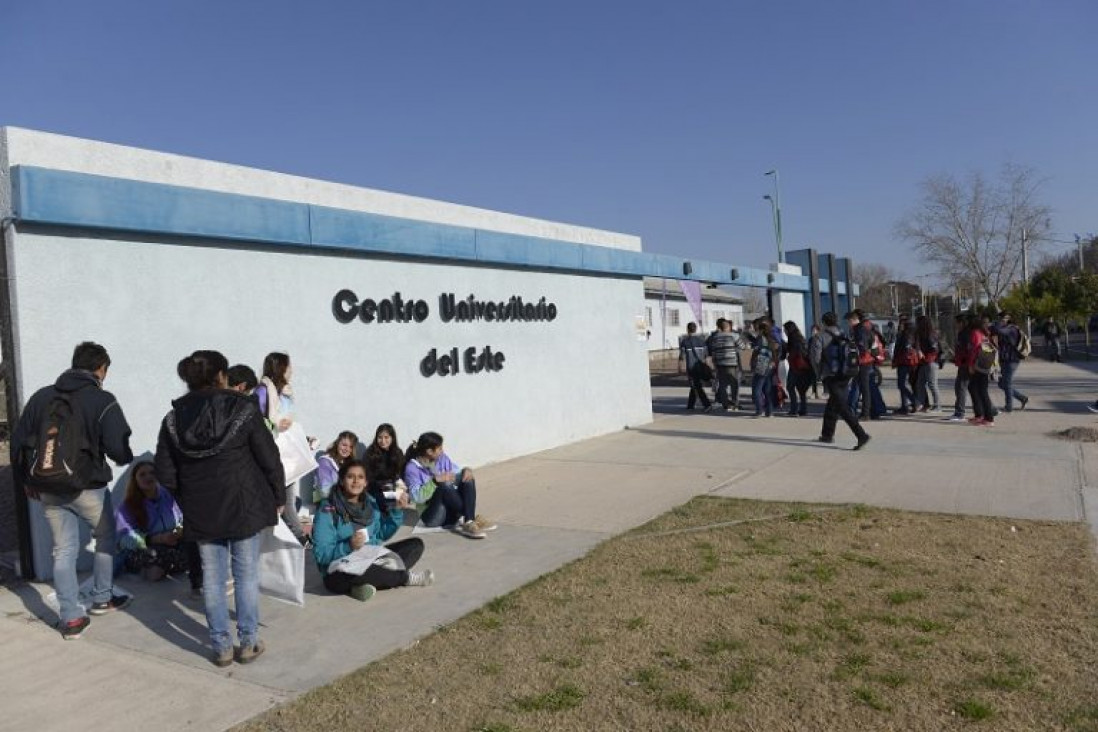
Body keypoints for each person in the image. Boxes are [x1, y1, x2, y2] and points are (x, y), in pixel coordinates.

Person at [155, 350, 285, 667]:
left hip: (201, 508)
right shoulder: (243, 408)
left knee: (212, 581)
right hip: (244, 505)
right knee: (245, 576)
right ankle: (249, 642)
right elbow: (269, 457)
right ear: (221, 376)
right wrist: (278, 494)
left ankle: (221, 647)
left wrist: (186, 498)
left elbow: (165, 472)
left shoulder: (173, 419)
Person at [10, 341, 134, 639]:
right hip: (88, 488)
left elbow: (18, 442)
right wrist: (124, 458)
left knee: (63, 550)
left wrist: (27, 482)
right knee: (105, 537)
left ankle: (70, 618)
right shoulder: (101, 399)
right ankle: (103, 597)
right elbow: (118, 447)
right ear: (100, 368)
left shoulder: (41, 397)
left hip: (48, 487)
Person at [312, 460, 433, 601]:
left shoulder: (370, 502)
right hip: (338, 570)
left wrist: (397, 511)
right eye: (350, 477)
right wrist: (348, 546)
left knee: (415, 545)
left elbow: (381, 534)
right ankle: (405, 578)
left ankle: (360, 586)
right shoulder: (328, 509)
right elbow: (321, 555)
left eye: (361, 477)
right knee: (354, 572)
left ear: (366, 483)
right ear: (341, 481)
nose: (356, 481)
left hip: (370, 558)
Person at [115, 460, 199, 592]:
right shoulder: (128, 506)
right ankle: (168, 565)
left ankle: (170, 565)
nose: (148, 477)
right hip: (145, 548)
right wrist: (157, 539)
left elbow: (182, 519)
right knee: (155, 560)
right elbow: (125, 539)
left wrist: (178, 531)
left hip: (172, 543)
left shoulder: (168, 495)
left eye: (152, 473)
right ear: (135, 480)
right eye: (142, 475)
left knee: (200, 545)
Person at [254, 352, 308, 545]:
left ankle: (293, 536)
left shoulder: (285, 392)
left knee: (288, 497)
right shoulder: (262, 391)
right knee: (285, 499)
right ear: (280, 368)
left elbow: (288, 418)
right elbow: (257, 423)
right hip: (273, 452)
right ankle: (299, 537)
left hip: (288, 451)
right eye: (288, 366)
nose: (291, 370)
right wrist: (276, 425)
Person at [404, 432, 496, 539]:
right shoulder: (412, 468)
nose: (442, 451)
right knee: (444, 484)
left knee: (467, 478)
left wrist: (467, 470)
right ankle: (470, 518)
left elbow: (456, 472)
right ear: (429, 451)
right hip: (432, 517)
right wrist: (434, 481)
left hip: (451, 514)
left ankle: (469, 521)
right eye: (439, 448)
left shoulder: (442, 458)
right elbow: (416, 498)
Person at [809, 312, 871, 450]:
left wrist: (819, 374)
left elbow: (815, 358)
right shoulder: (844, 333)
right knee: (833, 404)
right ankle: (827, 434)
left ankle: (861, 435)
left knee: (842, 407)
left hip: (831, 374)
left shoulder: (819, 337)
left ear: (824, 323)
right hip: (846, 373)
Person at [962, 316, 996, 426]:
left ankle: (988, 418)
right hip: (985, 364)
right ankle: (980, 415)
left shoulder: (975, 333)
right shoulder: (985, 333)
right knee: (975, 389)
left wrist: (971, 365)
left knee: (981, 391)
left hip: (978, 366)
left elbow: (974, 350)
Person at [363, 423, 407, 509]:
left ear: (392, 438)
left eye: (386, 437)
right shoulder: (370, 453)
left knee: (403, 497)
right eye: (380, 437)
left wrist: (401, 489)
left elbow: (400, 474)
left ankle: (394, 517)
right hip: (375, 487)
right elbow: (368, 477)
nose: (383, 441)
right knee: (393, 499)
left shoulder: (397, 452)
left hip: (393, 485)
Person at [993, 313, 1029, 412]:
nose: (1001, 320)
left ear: (1009, 319)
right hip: (1004, 360)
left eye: (1003, 318)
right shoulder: (1005, 328)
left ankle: (1009, 407)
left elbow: (998, 331)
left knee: (1007, 383)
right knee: (1002, 384)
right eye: (1000, 318)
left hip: (1012, 360)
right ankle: (1022, 398)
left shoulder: (1012, 329)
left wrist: (996, 324)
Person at [706, 318, 744, 410]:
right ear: (728, 327)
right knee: (734, 384)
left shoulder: (715, 337)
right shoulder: (734, 336)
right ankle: (735, 403)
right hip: (731, 363)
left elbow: (713, 352)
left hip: (720, 364)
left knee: (722, 385)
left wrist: (714, 363)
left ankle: (725, 403)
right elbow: (742, 346)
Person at [315, 431, 359, 503]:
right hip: (325, 501)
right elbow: (324, 491)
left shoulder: (348, 463)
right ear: (337, 444)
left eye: (351, 447)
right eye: (344, 445)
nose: (347, 449)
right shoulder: (324, 461)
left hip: (345, 499)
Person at [678, 322, 712, 412]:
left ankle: (707, 404)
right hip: (701, 366)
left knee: (696, 386)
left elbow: (682, 356)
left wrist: (680, 367)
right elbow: (707, 355)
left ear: (687, 329)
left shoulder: (685, 342)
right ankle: (690, 405)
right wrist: (708, 366)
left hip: (691, 368)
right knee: (695, 385)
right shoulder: (702, 340)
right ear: (695, 329)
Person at [783, 321, 813, 417]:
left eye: (785, 329)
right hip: (803, 367)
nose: (784, 331)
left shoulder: (794, 339)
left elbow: (794, 353)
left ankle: (794, 409)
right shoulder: (800, 337)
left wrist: (789, 356)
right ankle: (803, 409)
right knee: (801, 389)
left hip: (796, 366)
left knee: (790, 387)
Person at [913, 315, 942, 413]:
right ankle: (920, 403)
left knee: (932, 384)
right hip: (924, 362)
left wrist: (924, 356)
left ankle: (937, 406)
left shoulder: (930, 335)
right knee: (919, 383)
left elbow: (934, 350)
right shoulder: (921, 335)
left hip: (931, 362)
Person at [946, 314, 971, 423]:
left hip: (966, 364)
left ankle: (960, 413)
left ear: (961, 322)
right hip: (962, 364)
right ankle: (958, 411)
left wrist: (960, 359)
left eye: (956, 322)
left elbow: (967, 350)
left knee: (961, 388)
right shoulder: (962, 333)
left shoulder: (965, 334)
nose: (955, 325)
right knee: (961, 387)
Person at [749, 321, 777, 418]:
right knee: (767, 390)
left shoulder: (760, 339)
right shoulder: (771, 339)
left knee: (757, 389)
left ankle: (759, 410)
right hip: (770, 366)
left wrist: (752, 364)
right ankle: (770, 411)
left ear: (760, 330)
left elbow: (756, 352)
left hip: (761, 366)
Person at [892, 319, 919, 415]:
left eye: (902, 323)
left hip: (904, 362)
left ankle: (914, 401)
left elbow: (902, 349)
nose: (900, 325)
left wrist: (895, 359)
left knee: (901, 384)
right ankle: (905, 406)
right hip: (909, 363)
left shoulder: (905, 335)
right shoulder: (913, 335)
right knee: (902, 384)